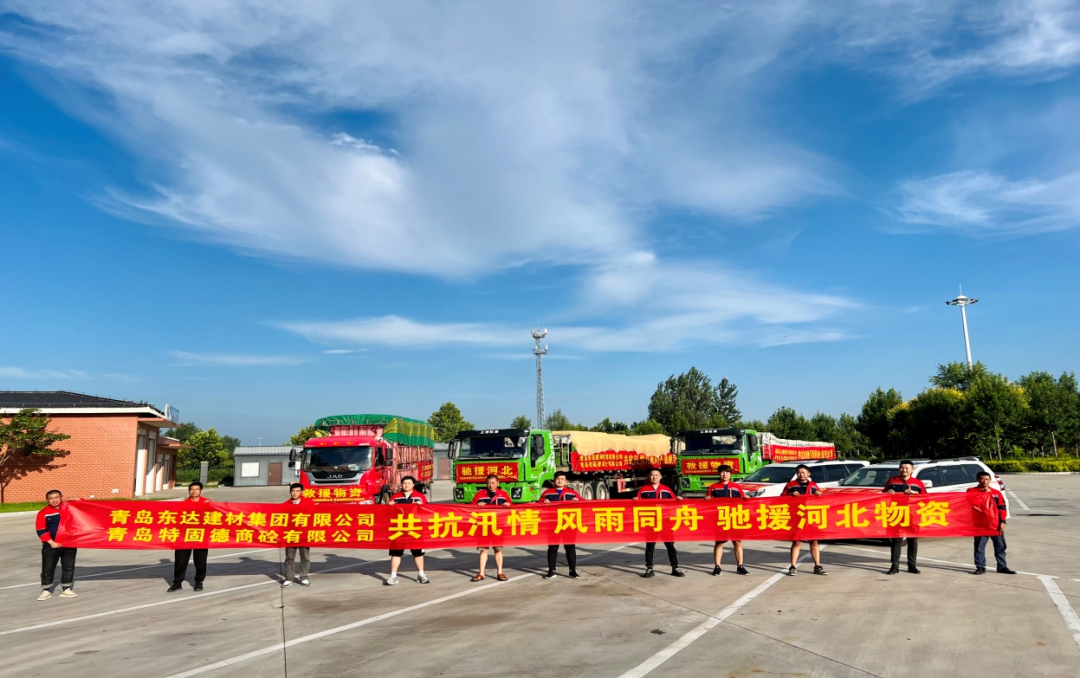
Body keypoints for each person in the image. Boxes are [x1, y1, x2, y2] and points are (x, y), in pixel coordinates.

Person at [635, 469, 684, 578]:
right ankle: (649, 568)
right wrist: (635, 500)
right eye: (652, 475)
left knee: (670, 546)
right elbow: (637, 503)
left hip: (665, 522)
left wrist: (678, 499)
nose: (654, 477)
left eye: (657, 475)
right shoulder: (643, 490)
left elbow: (674, 501)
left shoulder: (666, 490)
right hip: (651, 521)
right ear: (649, 477)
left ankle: (675, 567)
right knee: (650, 546)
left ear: (661, 477)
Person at [968, 471, 1016, 575]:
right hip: (980, 524)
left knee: (1000, 546)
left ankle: (1002, 566)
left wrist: (1002, 521)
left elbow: (1002, 507)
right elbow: (971, 503)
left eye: (986, 479)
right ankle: (980, 567)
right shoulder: (971, 491)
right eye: (981, 479)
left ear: (990, 480)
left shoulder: (996, 493)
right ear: (977, 479)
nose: (984, 481)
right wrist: (984, 493)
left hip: (995, 524)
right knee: (979, 546)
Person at [883, 460, 926, 575]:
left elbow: (926, 498)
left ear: (912, 470)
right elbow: (883, 495)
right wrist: (888, 492)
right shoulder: (892, 481)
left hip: (913, 514)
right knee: (896, 541)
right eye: (902, 468)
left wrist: (916, 494)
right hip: (896, 513)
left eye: (907, 468)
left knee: (912, 541)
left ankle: (912, 566)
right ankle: (894, 566)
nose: (904, 470)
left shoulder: (918, 483)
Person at [706, 465, 749, 576]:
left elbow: (743, 500)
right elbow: (707, 501)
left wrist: (746, 498)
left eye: (727, 472)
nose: (724, 474)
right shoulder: (713, 487)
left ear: (731, 474)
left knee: (737, 542)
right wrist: (707, 499)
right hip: (720, 518)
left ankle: (740, 566)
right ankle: (717, 566)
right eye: (722, 472)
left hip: (734, 517)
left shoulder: (736, 487)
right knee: (719, 543)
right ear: (718, 474)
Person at [386, 476, 430, 585]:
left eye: (409, 483)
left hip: (415, 529)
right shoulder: (395, 497)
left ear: (413, 485)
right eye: (404, 483)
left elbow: (427, 511)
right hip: (399, 528)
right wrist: (389, 506)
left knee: (418, 553)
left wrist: (421, 506)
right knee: (396, 553)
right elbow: (387, 513)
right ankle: (393, 576)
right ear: (401, 484)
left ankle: (421, 574)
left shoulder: (420, 497)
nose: (406, 485)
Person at [784, 465, 826, 576]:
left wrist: (819, 495)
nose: (801, 475)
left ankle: (817, 566)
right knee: (797, 541)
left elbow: (821, 500)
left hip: (811, 516)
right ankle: (793, 566)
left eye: (803, 472)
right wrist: (790, 495)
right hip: (797, 516)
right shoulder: (791, 485)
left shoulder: (813, 486)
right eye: (799, 473)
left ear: (808, 474)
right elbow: (781, 498)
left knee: (814, 541)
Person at [169, 482, 210, 592]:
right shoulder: (182, 504)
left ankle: (198, 581)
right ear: (189, 491)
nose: (194, 491)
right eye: (192, 489)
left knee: (200, 560)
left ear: (200, 491)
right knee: (180, 561)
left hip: (200, 535)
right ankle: (177, 583)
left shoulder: (207, 503)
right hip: (184, 536)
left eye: (196, 489)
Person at [539, 472, 582, 580]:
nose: (560, 481)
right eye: (558, 479)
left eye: (562, 479)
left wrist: (578, 501)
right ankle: (551, 571)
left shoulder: (572, 493)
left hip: (569, 523)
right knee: (553, 547)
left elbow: (583, 502)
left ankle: (573, 571)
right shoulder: (547, 493)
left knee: (570, 547)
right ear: (554, 480)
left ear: (566, 481)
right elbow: (539, 503)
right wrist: (544, 501)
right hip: (553, 523)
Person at [36, 490, 77, 600]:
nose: (54, 500)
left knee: (68, 567)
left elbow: (84, 507)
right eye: (51, 498)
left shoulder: (69, 507)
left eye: (56, 497)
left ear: (61, 497)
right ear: (47, 500)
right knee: (48, 568)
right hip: (51, 546)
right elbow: (40, 530)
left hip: (69, 544)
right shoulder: (43, 512)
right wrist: (51, 542)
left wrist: (75, 500)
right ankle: (46, 590)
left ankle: (66, 588)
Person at [471, 475, 511, 582]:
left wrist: (508, 505)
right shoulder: (480, 494)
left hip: (498, 526)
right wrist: (477, 505)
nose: (491, 485)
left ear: (498, 483)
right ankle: (481, 573)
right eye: (489, 483)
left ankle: (500, 573)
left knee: (498, 550)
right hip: (484, 526)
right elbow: (471, 508)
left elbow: (511, 508)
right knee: (484, 550)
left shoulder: (503, 494)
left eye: (493, 483)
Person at [281, 482, 314, 587]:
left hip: (304, 534)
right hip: (290, 535)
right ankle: (289, 578)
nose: (295, 493)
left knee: (305, 557)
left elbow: (315, 516)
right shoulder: (285, 505)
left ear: (302, 492)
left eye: (297, 491)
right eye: (293, 491)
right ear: (290, 492)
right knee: (289, 558)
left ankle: (304, 577)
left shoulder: (309, 503)